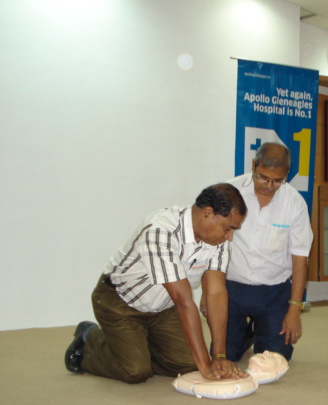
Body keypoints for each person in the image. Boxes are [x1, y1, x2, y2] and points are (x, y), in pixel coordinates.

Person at [64, 183, 248, 384]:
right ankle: (88, 338)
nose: (229, 236)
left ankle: (138, 345)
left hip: (163, 308)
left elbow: (216, 293)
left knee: (187, 364)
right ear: (207, 213)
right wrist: (205, 365)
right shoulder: (161, 230)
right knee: (135, 371)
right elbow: (184, 301)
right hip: (120, 303)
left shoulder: (218, 241)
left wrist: (219, 356)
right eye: (228, 228)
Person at [226, 142, 313, 362]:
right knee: (225, 355)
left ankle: (262, 328)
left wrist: (294, 309)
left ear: (287, 174)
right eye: (263, 177)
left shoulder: (295, 203)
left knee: (275, 358)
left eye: (277, 181)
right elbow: (212, 245)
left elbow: (300, 259)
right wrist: (209, 291)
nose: (269, 186)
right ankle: (245, 334)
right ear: (254, 165)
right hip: (232, 288)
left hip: (274, 292)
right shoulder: (230, 192)